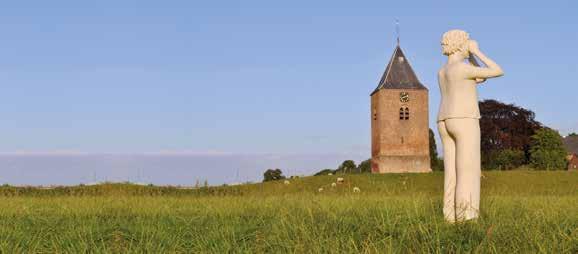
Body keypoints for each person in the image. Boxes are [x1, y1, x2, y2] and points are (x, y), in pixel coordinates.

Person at [437, 30, 504, 222]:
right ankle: (467, 219)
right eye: (466, 42)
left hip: (444, 119)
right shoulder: (462, 69)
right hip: (464, 118)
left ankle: (450, 217)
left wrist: (471, 55)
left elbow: (479, 78)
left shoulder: (442, 71)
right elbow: (497, 70)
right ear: (460, 44)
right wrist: (477, 51)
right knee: (468, 171)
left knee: (451, 174)